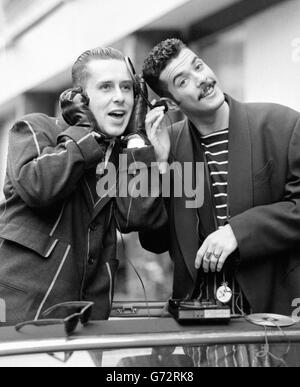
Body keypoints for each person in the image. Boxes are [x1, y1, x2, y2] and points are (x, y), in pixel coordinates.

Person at [140, 38, 300, 366]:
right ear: (170, 103)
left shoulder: (281, 124)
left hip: (275, 320)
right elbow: (154, 241)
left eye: (198, 65)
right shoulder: (171, 150)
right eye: (183, 80)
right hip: (204, 330)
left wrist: (238, 232)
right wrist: (158, 166)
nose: (200, 78)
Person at [0, 46, 165, 325]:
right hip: (21, 317)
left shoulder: (122, 155)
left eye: (127, 88)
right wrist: (85, 132)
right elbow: (39, 186)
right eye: (106, 87)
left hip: (88, 322)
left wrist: (137, 139)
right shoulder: (35, 128)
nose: (120, 98)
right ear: (79, 99)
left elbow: (138, 216)